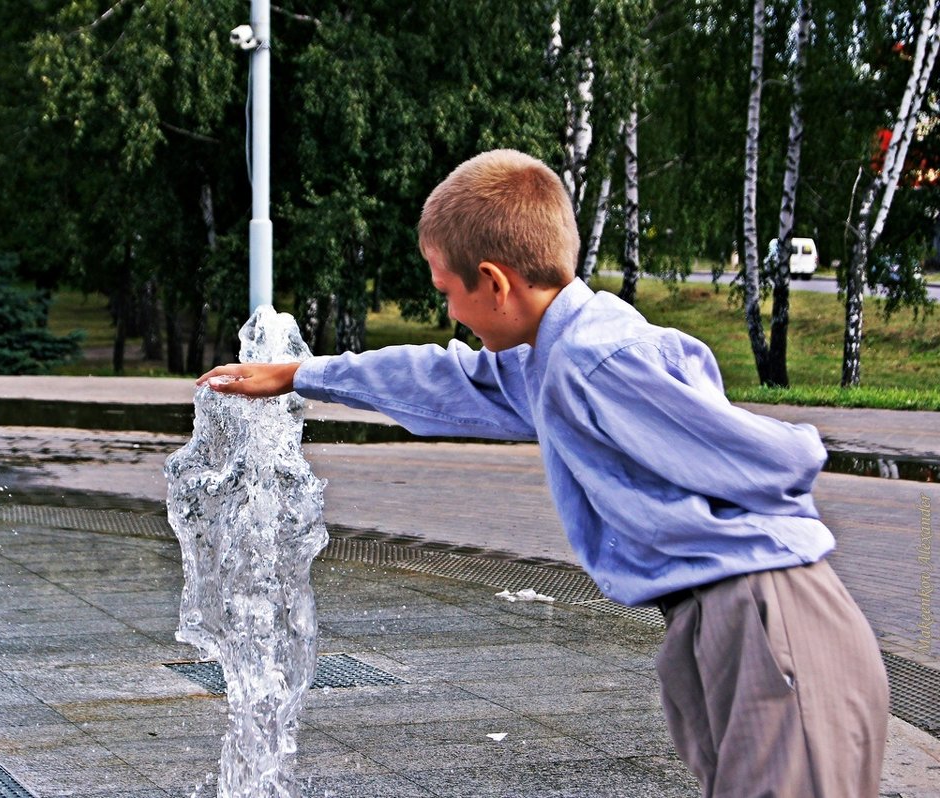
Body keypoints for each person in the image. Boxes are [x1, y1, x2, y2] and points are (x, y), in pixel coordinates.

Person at [198, 149, 889, 797]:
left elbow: (777, 459)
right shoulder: (556, 358)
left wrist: (784, 471)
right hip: (725, 621)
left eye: (447, 290)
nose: (448, 313)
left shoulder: (597, 361)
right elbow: (444, 381)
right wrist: (300, 374)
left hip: (769, 621)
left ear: (494, 282)